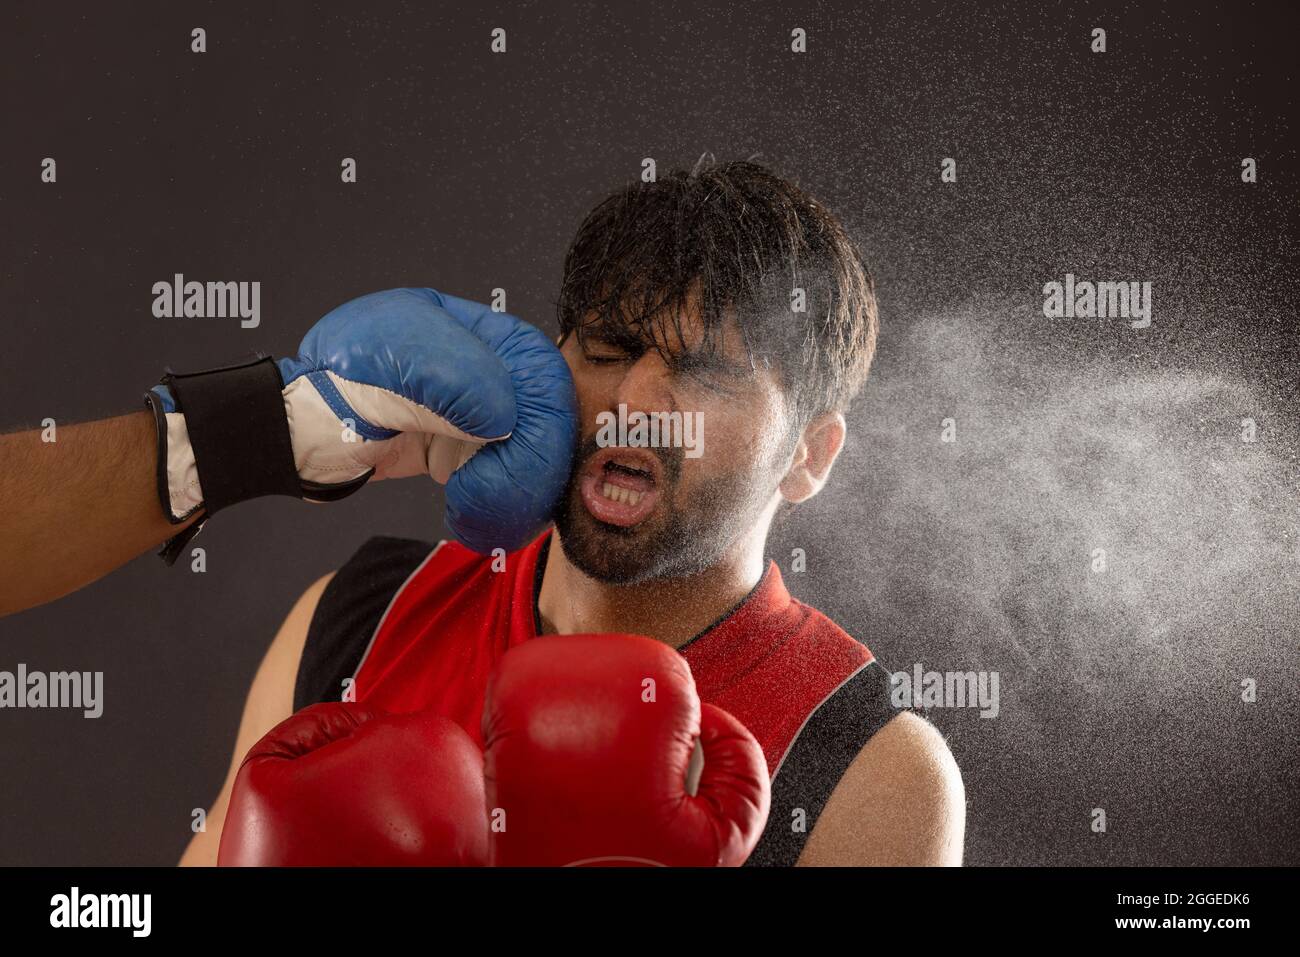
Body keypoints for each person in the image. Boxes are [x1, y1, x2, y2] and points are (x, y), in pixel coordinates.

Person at [188, 159, 966, 866]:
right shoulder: (359, 617)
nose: (634, 404)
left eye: (705, 375)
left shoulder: (870, 766)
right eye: (607, 351)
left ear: (810, 455)